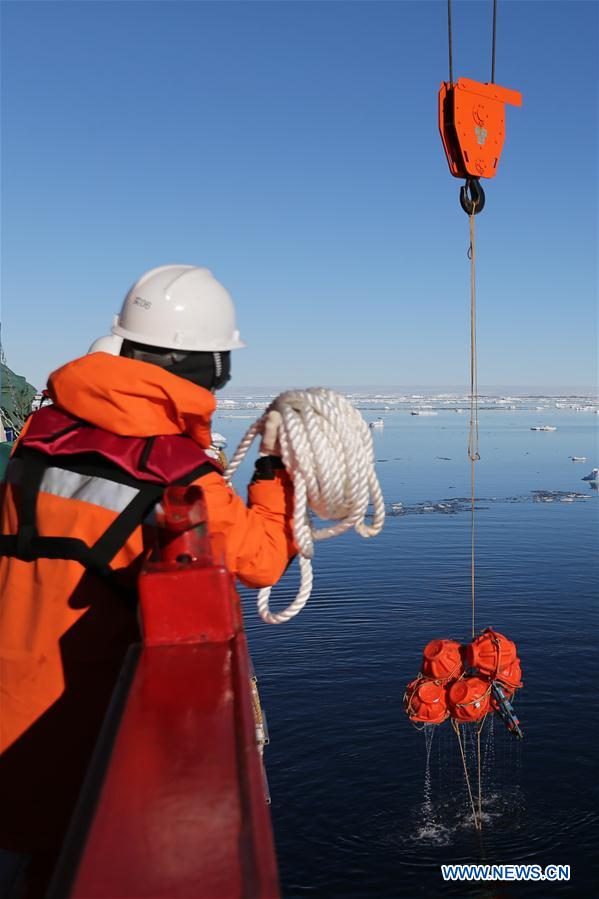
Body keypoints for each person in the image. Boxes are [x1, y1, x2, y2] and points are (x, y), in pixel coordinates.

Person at [0, 265, 295, 897]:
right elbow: (263, 561)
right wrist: (273, 473)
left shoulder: (37, 438)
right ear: (211, 366)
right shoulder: (178, 475)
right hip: (68, 748)